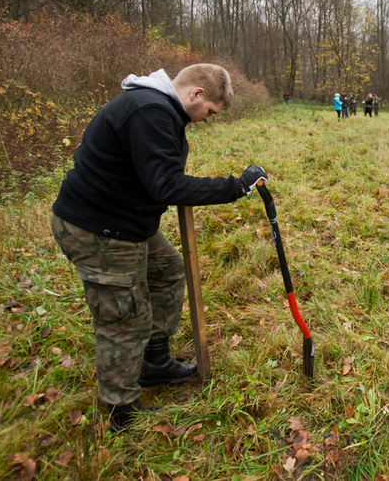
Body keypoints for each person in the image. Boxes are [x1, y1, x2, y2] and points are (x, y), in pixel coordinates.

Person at [50, 64, 268, 432]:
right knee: (124, 314)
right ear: (196, 93)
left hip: (126, 222)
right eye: (210, 111)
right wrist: (234, 187)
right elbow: (166, 185)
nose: (208, 120)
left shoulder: (156, 108)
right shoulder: (149, 111)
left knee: (168, 271)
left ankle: (153, 361)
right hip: (99, 228)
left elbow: (156, 174)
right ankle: (121, 409)